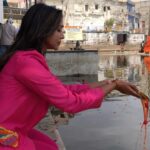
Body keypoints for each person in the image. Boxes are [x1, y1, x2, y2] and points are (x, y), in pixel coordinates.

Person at [0, 3, 140, 150]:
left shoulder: (26, 59)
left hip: (11, 128)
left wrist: (106, 83)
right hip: (4, 133)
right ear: (43, 30)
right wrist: (114, 86)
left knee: (49, 145)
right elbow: (71, 102)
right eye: (59, 29)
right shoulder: (26, 63)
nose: (63, 34)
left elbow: (61, 89)